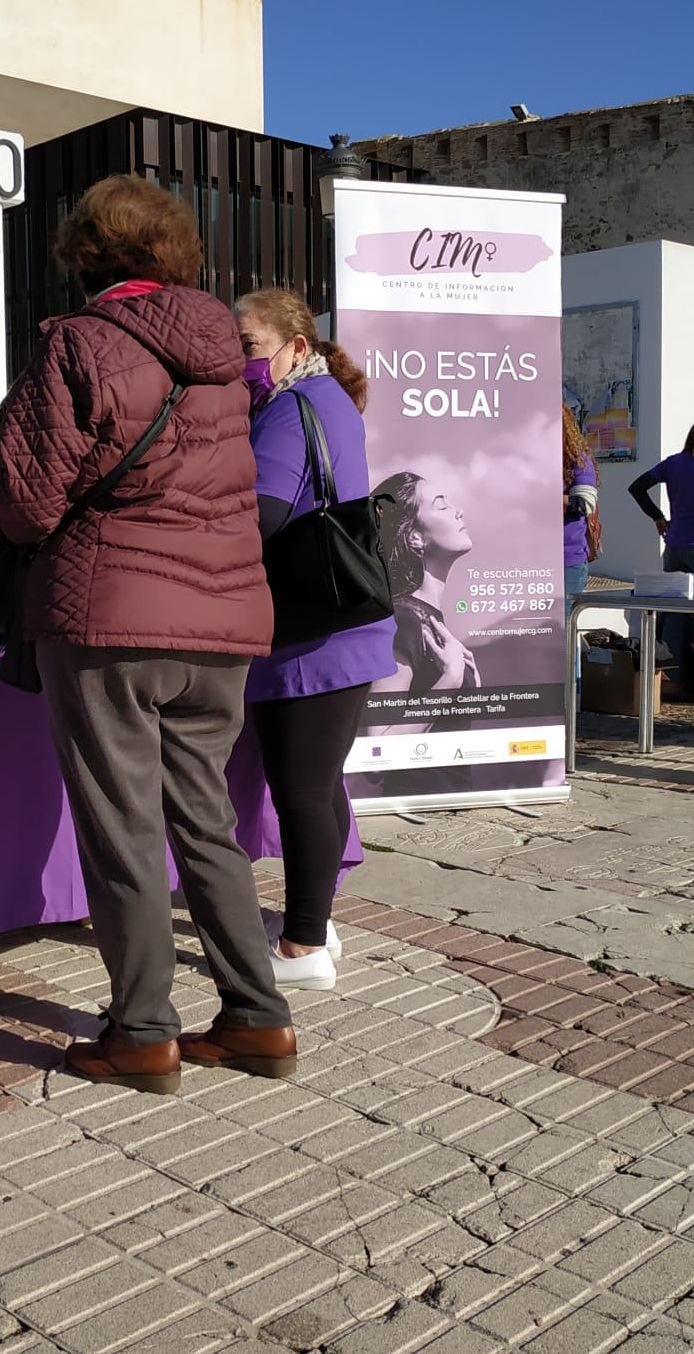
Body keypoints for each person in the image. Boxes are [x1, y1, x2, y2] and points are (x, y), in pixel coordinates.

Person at [0, 175, 294, 1092]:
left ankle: (142, 1032)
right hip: (225, 621)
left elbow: (24, 502)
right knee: (207, 822)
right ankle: (257, 1018)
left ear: (86, 252)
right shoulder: (226, 359)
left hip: (111, 617)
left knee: (122, 831)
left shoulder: (78, 343)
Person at [234, 287, 397, 993]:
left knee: (300, 789)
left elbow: (256, 519)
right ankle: (316, 920)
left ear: (296, 346)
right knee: (321, 787)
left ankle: (302, 950)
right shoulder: (326, 398)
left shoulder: (288, 410)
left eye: (249, 347)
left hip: (307, 637)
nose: (240, 362)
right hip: (335, 627)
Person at [628, 416, 694, 701]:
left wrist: (658, 517)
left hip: (674, 546)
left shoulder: (674, 463)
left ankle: (672, 682)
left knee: (673, 615)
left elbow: (637, 487)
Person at [374, 471, 479, 692]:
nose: (459, 512)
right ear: (415, 538)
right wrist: (451, 679)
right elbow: (378, 727)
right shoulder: (404, 622)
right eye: (442, 506)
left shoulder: (425, 618)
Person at [560, 407, 599, 599]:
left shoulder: (577, 460)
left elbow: (585, 504)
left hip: (568, 561)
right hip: (526, 560)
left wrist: (541, 499)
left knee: (562, 625)